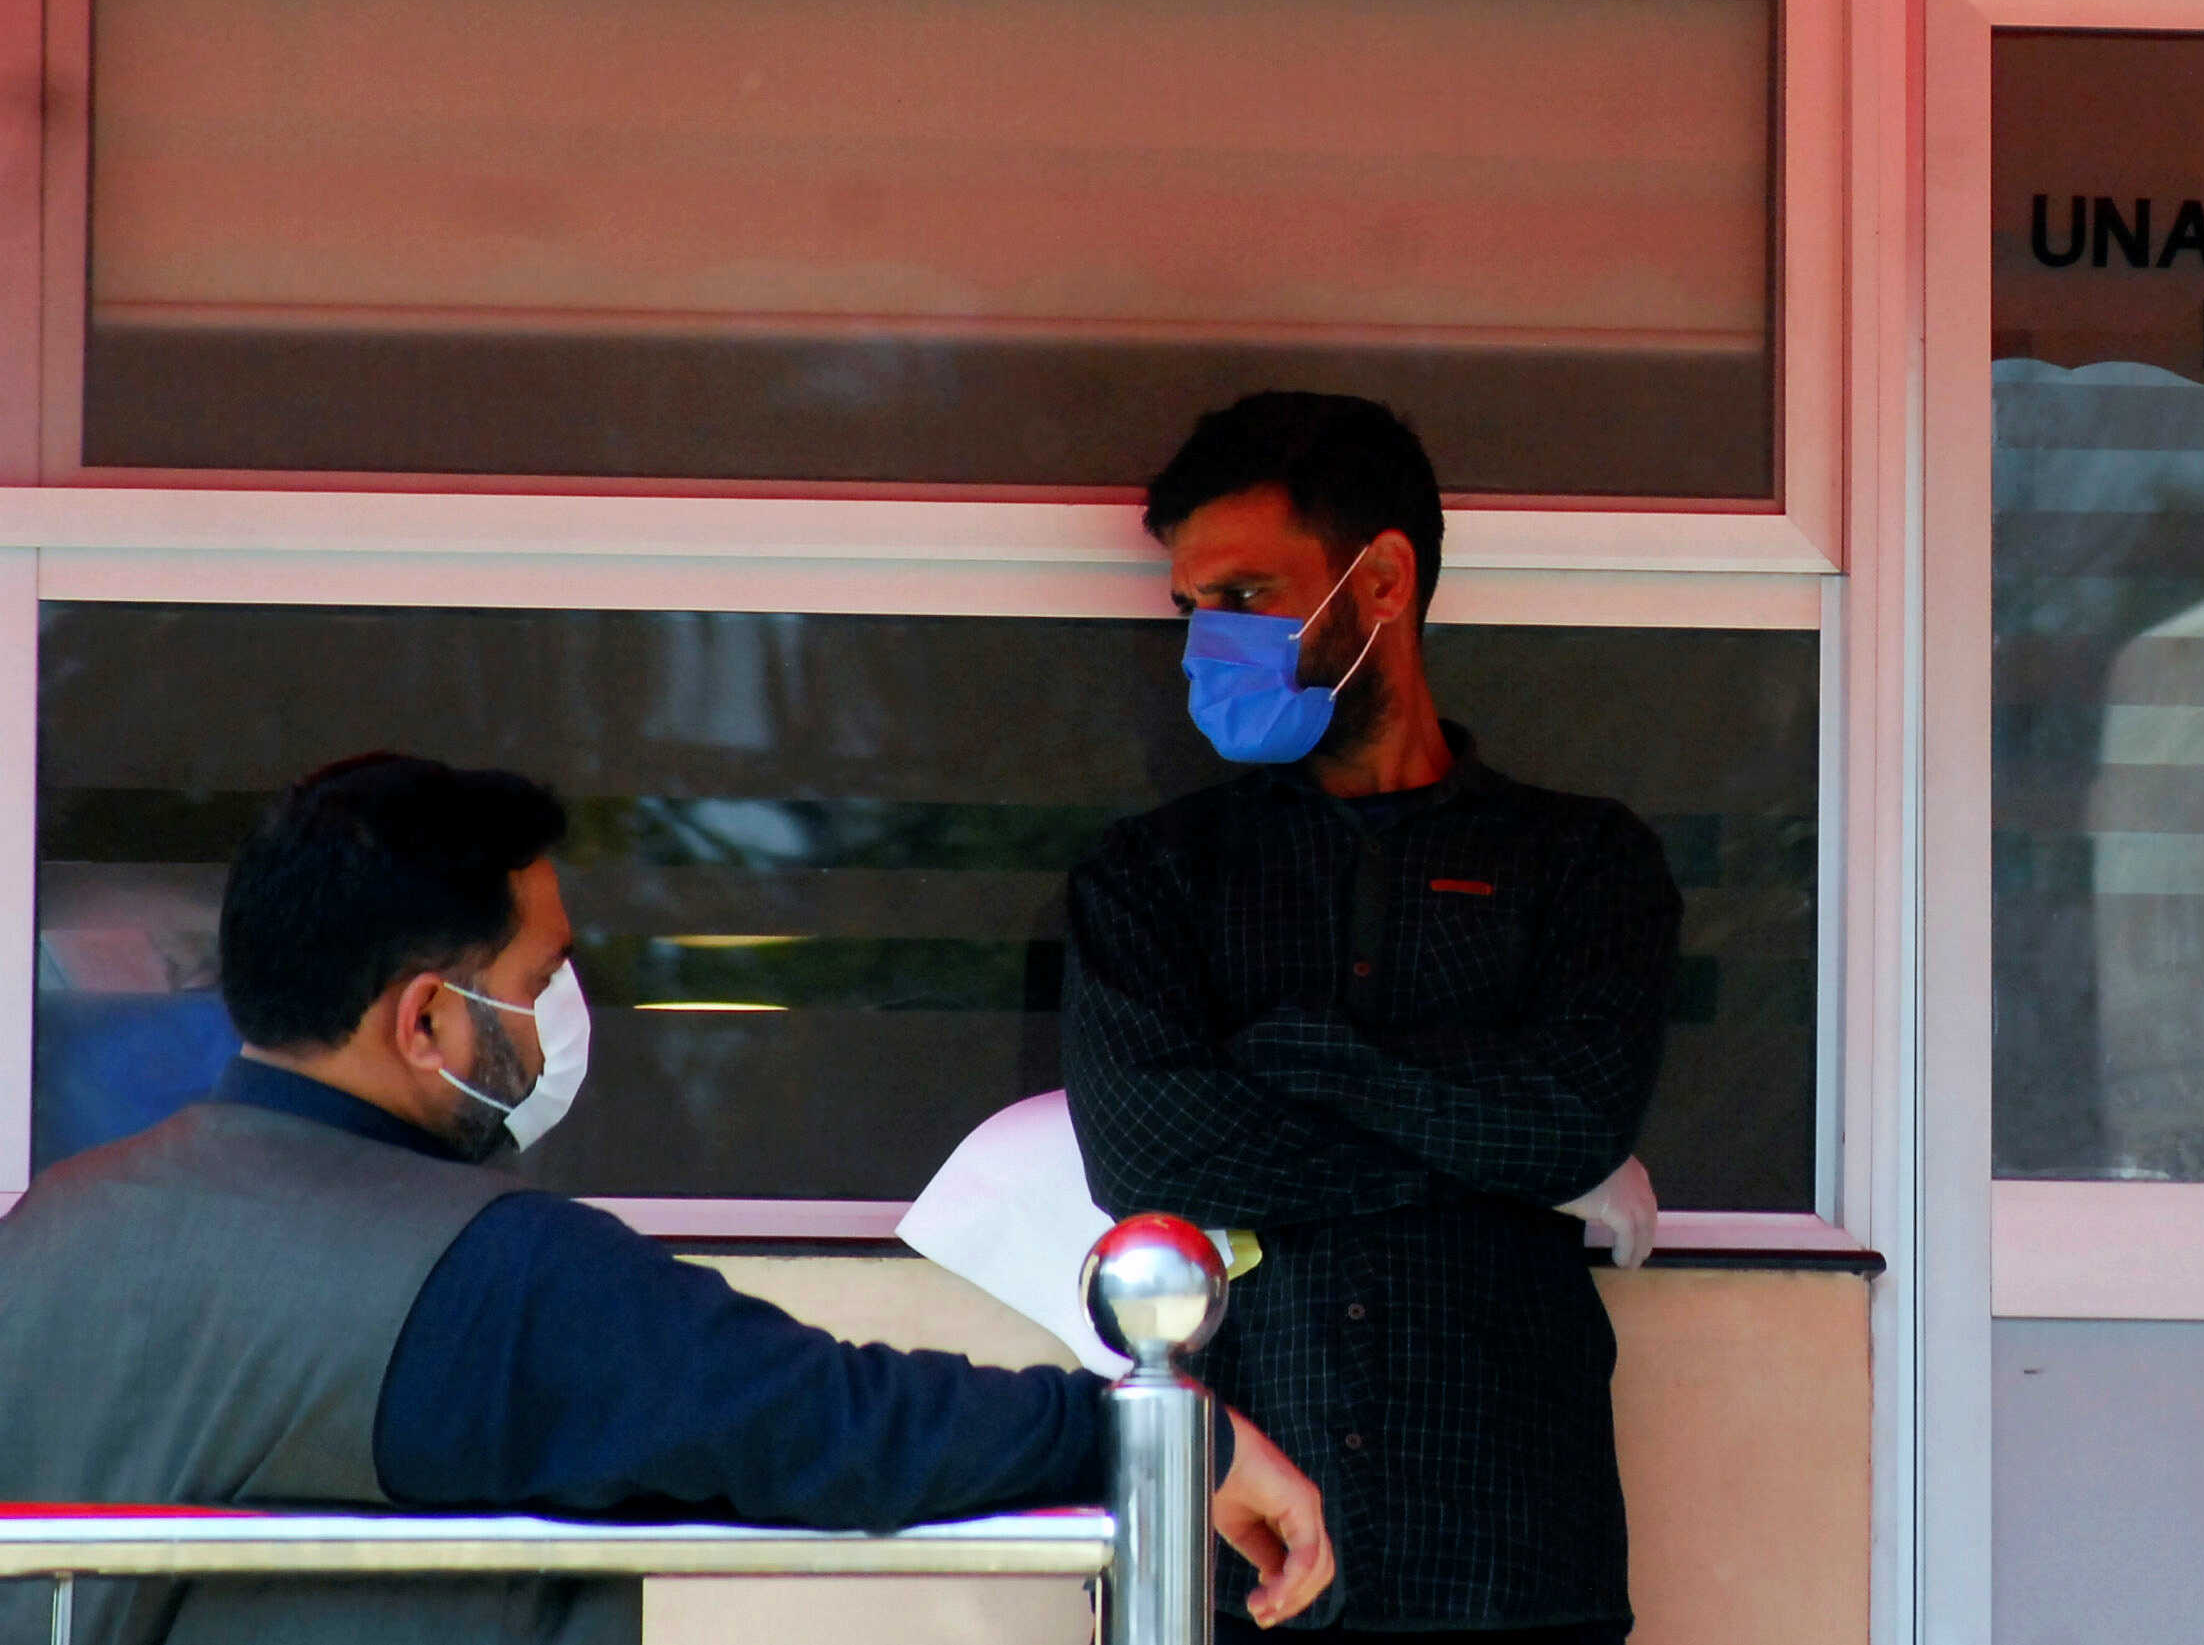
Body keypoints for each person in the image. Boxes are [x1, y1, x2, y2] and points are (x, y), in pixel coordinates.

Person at [0, 752, 1337, 1645]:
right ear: (424, 1019)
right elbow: (831, 1426)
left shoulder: (48, 1230)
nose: (563, 1017)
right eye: (537, 978)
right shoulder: (491, 1270)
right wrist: (1163, 1436)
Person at [1064, 391, 1684, 1645]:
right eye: (1192, 610)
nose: (1207, 641)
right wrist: (1484, 1140)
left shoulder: (1580, 860)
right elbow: (1149, 1160)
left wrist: (1304, 1058)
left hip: (1511, 1558)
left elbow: (1565, 1128)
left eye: (1244, 595)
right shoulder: (1152, 875)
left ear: (1383, 578)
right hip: (1231, 1568)